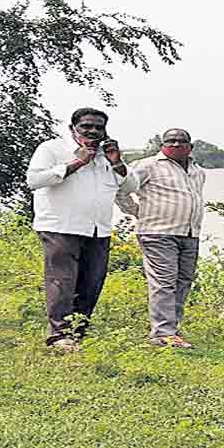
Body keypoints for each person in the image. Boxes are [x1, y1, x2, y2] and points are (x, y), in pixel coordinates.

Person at [25, 108, 138, 350]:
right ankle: (58, 335)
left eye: (99, 127)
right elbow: (34, 181)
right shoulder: (52, 149)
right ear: (73, 127)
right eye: (87, 126)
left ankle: (77, 332)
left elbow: (131, 186)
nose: (93, 131)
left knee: (92, 281)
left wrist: (117, 162)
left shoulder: (107, 155)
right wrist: (78, 162)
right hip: (60, 225)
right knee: (62, 280)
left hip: (98, 229)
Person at [116, 129, 206, 348]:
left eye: (181, 141)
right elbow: (121, 189)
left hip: (189, 233)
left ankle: (170, 330)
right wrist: (136, 211)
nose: (176, 144)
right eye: (170, 141)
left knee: (183, 282)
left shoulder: (198, 171)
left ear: (190, 146)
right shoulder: (147, 165)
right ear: (162, 145)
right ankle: (163, 334)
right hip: (157, 232)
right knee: (164, 281)